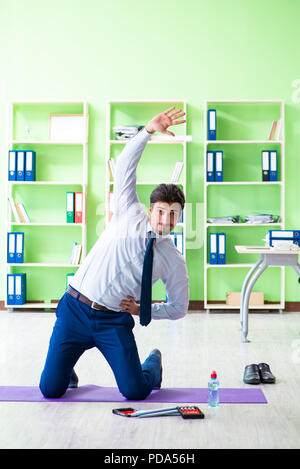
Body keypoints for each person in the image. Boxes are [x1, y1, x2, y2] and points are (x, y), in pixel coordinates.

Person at [39, 106, 189, 401]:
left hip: (112, 321)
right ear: (150, 210)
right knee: (50, 390)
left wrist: (144, 310)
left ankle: (152, 365)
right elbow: (124, 167)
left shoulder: (173, 259)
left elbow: (180, 306)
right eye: (161, 211)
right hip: (75, 310)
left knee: (135, 392)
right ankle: (65, 365)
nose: (165, 219)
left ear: (180, 217)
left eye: (174, 214)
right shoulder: (126, 213)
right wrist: (147, 131)